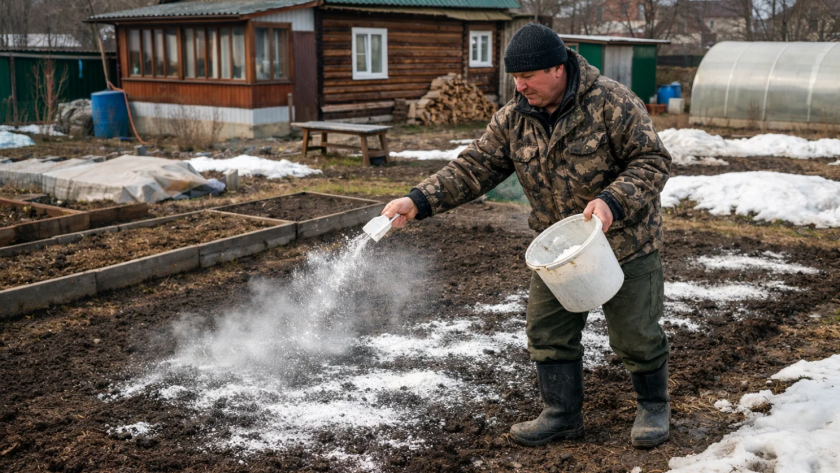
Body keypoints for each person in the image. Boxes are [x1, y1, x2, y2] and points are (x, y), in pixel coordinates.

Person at [381, 23, 672, 448]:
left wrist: (611, 201)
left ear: (558, 68)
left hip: (625, 244)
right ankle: (562, 414)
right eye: (514, 78)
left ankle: (652, 406)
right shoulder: (514, 117)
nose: (520, 86)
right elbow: (474, 167)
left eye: (528, 77)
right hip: (559, 249)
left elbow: (652, 161)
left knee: (636, 336)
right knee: (547, 333)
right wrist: (417, 200)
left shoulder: (612, 102)